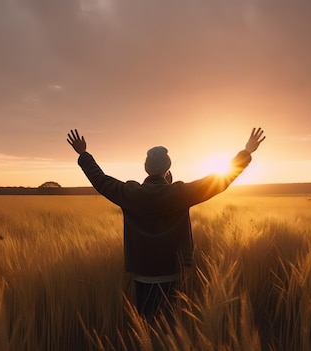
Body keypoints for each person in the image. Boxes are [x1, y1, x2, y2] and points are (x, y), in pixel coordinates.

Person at [67, 128, 265, 322]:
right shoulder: (179, 193)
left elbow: (100, 180)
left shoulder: (130, 193)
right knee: (169, 326)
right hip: (172, 272)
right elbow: (219, 181)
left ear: (146, 169)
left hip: (141, 274)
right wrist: (246, 153)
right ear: (167, 170)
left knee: (145, 325)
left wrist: (83, 154)